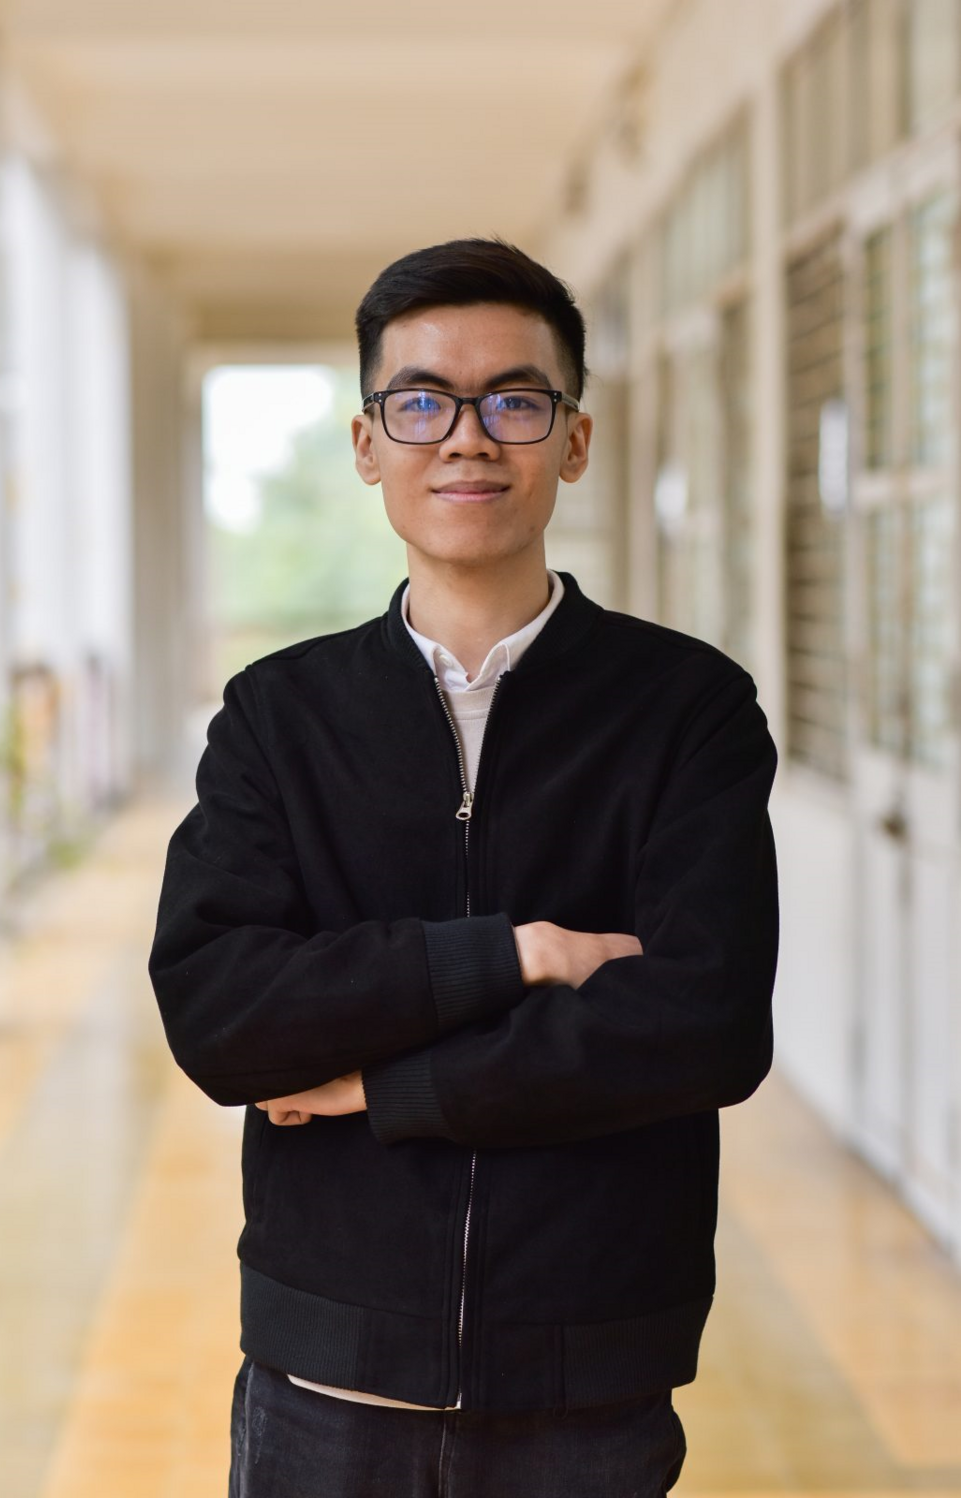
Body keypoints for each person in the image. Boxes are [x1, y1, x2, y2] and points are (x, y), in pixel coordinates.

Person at [148, 236, 780, 1498]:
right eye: (423, 401)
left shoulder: (686, 709)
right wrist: (512, 956)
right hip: (327, 1381)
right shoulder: (277, 716)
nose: (468, 439)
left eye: (514, 401)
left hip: (588, 1378)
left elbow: (705, 1027)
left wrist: (387, 1088)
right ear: (367, 442)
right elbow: (219, 1014)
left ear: (574, 440)